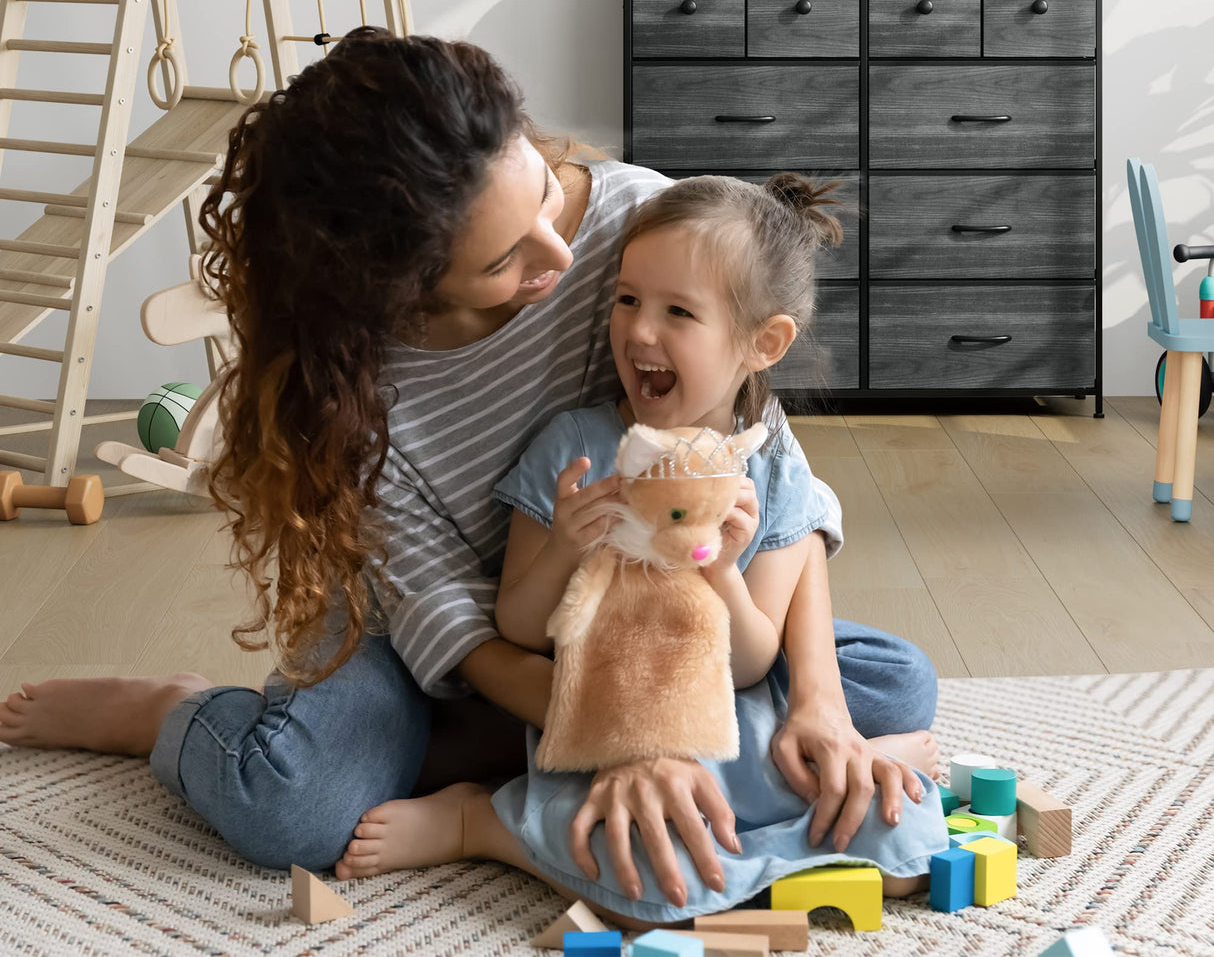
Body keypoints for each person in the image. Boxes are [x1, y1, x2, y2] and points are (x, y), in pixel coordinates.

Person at [0, 31, 938, 915]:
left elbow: (773, 473)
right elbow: (456, 627)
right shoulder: (348, 390)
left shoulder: (645, 228)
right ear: (402, 286)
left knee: (886, 689)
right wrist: (629, 737)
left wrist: (816, 700)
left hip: (629, 613)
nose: (562, 255)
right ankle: (174, 712)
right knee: (291, 805)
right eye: (502, 259)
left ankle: (499, 762)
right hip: (442, 643)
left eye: (543, 194)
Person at [329, 173, 947, 926]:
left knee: (904, 849)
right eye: (627, 299)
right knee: (647, 896)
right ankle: (485, 822)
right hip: (610, 700)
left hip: (735, 710)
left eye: (677, 312)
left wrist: (721, 572)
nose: (638, 332)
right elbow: (521, 628)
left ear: (764, 344)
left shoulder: (770, 465)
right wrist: (563, 546)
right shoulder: (575, 448)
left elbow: (751, 664)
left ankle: (794, 827)